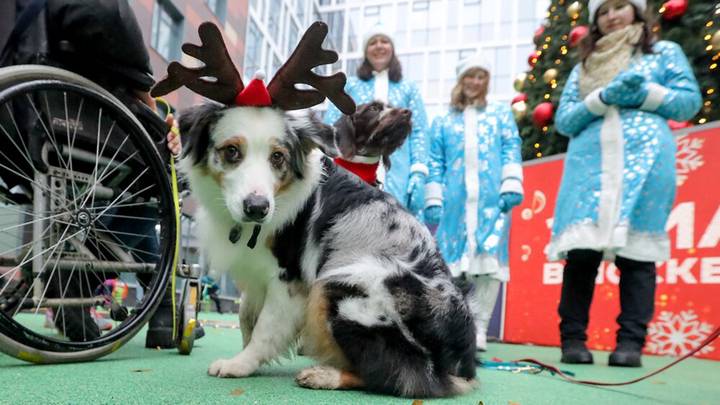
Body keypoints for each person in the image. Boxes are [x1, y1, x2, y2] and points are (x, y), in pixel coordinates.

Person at [549, 0, 702, 367]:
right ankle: (573, 340)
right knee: (581, 256)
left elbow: (688, 103)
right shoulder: (585, 64)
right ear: (595, 21)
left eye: (620, 7)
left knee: (638, 258)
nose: (612, 16)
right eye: (603, 11)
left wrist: (646, 93)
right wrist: (602, 98)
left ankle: (630, 344)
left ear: (636, 12)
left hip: (647, 163)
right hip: (590, 167)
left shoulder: (664, 53)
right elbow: (565, 121)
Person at [424, 54, 524, 351]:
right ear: (461, 79)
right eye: (470, 76)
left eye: (480, 76)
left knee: (487, 266)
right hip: (455, 203)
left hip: (491, 202)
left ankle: (479, 329)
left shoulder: (499, 115)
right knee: (450, 267)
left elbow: (511, 148)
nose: (474, 82)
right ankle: (452, 327)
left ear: (487, 81)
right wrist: (434, 195)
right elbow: (435, 160)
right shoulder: (443, 121)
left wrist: (511, 183)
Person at [323, 24, 429, 218]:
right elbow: (332, 125)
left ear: (392, 48)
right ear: (365, 51)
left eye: (384, 41)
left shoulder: (408, 88)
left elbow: (420, 132)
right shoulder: (351, 85)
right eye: (373, 42)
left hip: (398, 173)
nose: (379, 46)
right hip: (352, 171)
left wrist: (418, 172)